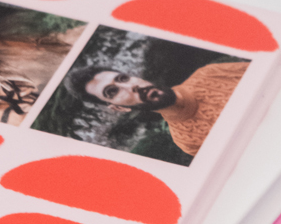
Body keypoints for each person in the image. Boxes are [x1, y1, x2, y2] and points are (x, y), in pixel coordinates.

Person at [63, 59, 249, 156]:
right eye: (112, 91)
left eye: (123, 78)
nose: (131, 86)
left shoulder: (210, 74)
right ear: (119, 108)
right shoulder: (187, 141)